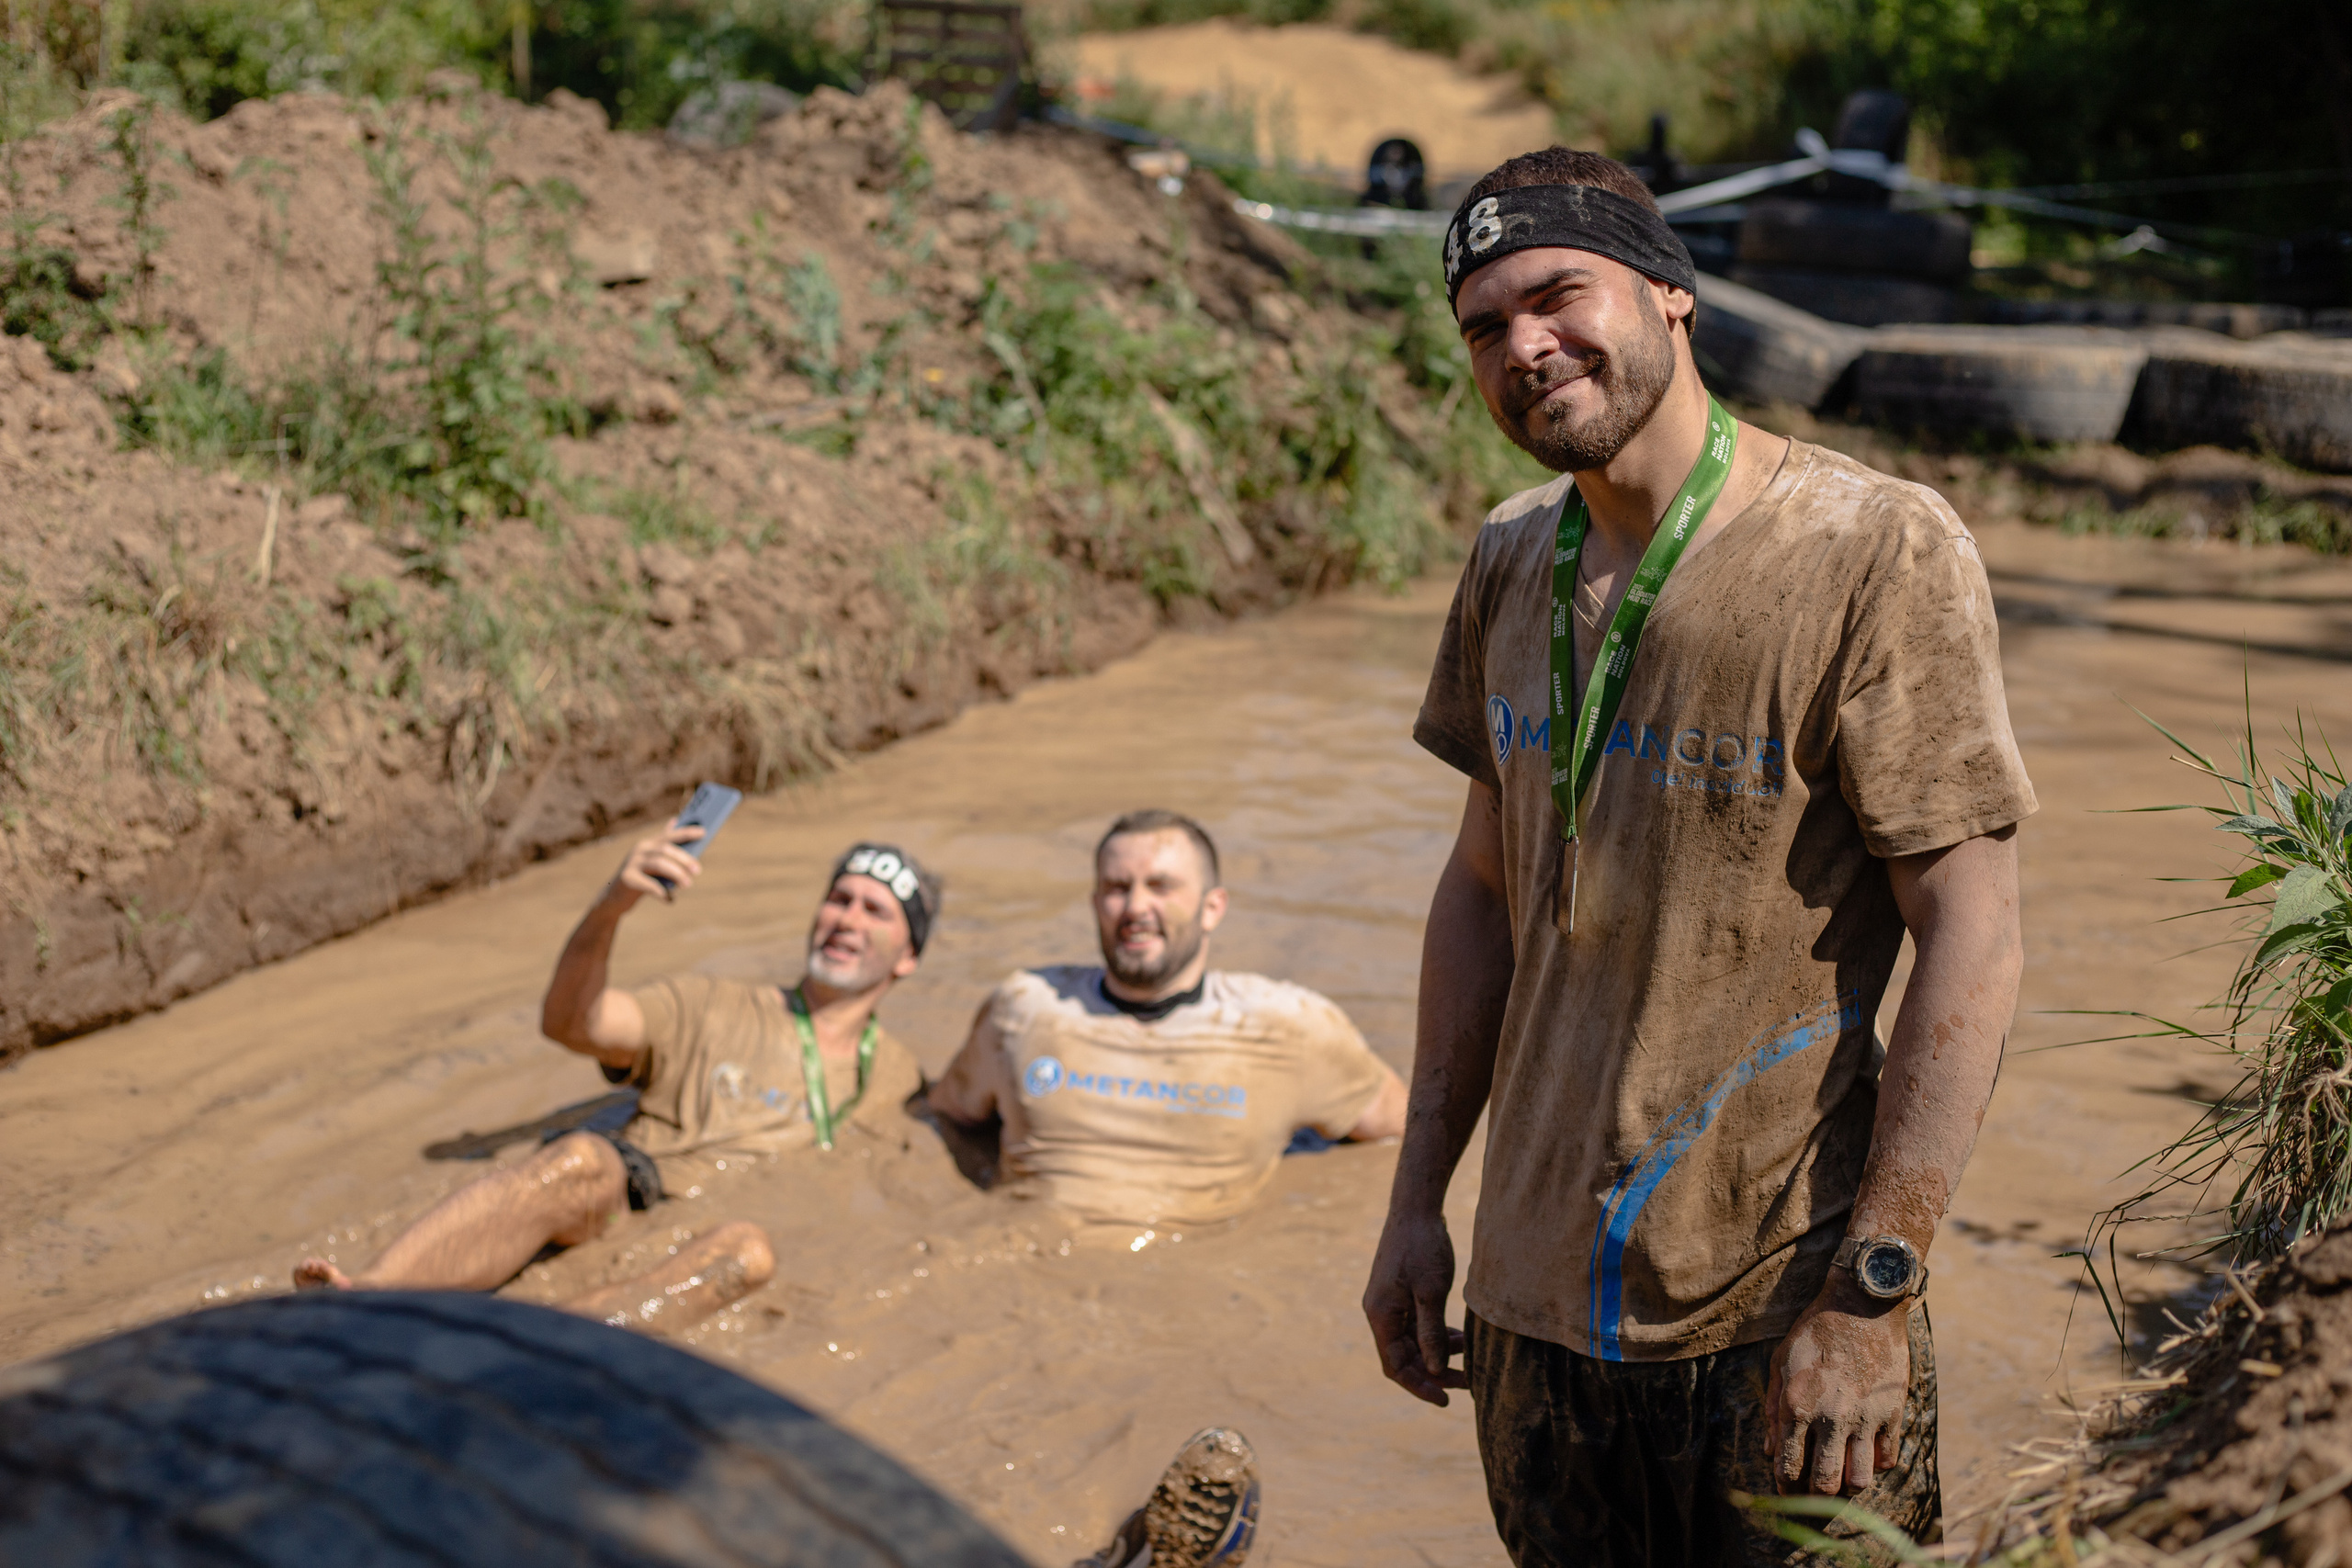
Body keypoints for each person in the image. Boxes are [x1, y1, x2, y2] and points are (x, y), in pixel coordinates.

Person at [1361, 148, 2034, 1565]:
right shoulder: (1505, 560)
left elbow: (1974, 929)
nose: (1523, 346)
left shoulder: (1872, 550)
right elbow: (1481, 892)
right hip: (1534, 1313)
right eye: (1483, 326)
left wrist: (1875, 1294)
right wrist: (1416, 1201)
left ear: (1669, 294)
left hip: (1776, 1312)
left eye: (1556, 295)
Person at [294, 828, 939, 1333]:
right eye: (839, 898)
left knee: (749, 1250)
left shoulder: (901, 1076)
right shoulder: (709, 1003)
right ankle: (364, 1299)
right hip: (632, 1190)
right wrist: (612, 906)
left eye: (875, 910)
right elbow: (573, 1022)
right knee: (579, 1157)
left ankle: (531, 1354)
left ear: (909, 954)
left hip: (722, 1235)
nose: (847, 918)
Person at [926, 809, 1407, 1230]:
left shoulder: (1290, 1026)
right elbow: (944, 1118)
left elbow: (1401, 1130)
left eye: (1161, 886)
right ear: (1095, 904)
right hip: (1024, 1263)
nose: (1136, 908)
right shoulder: (1026, 1008)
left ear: (1212, 908)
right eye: (1117, 888)